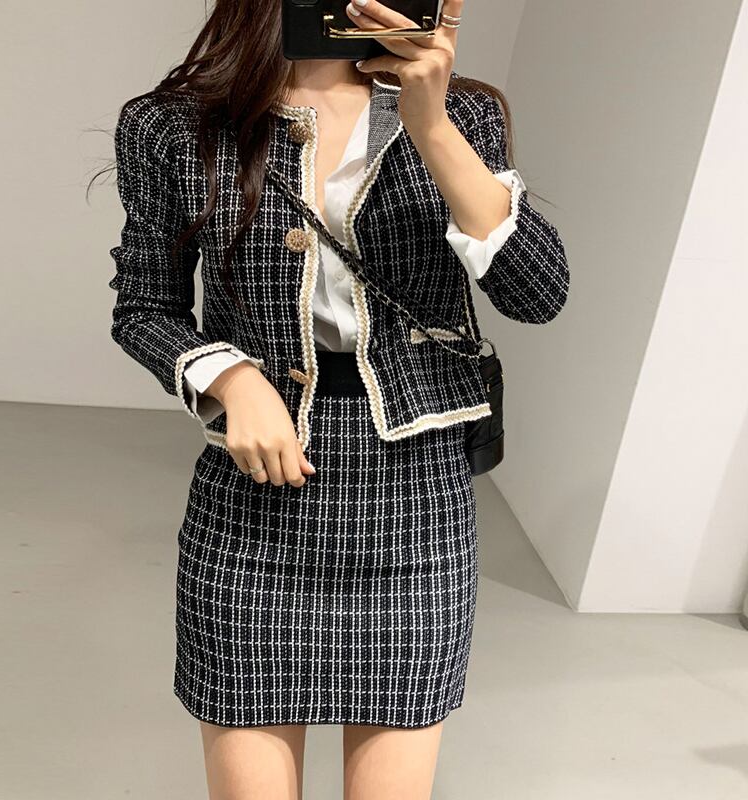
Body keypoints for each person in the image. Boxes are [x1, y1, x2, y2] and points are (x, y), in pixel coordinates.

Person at [105, 0, 569, 797]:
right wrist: (231, 378)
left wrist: (430, 123)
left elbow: (537, 294)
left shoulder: (464, 115)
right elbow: (145, 307)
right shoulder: (175, 127)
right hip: (256, 503)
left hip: (416, 508)